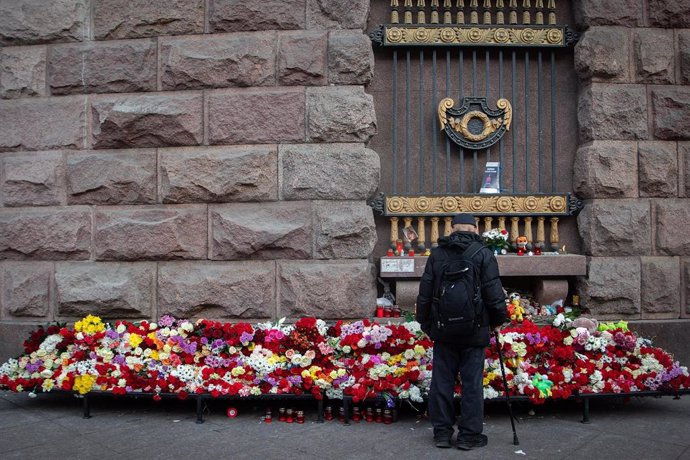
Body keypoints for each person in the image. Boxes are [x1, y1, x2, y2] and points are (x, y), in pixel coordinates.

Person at [416, 213, 507, 450]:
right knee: (472, 384)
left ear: (452, 229)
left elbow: (424, 293)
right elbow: (493, 293)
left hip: (444, 330)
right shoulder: (483, 254)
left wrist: (427, 324)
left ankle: (442, 433)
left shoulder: (437, 255)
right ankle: (469, 435)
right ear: (475, 230)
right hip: (475, 330)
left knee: (442, 382)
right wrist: (497, 321)